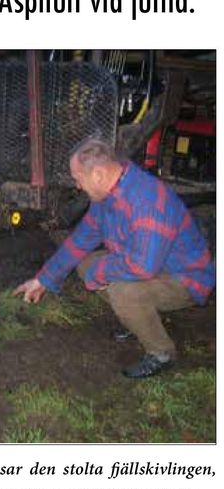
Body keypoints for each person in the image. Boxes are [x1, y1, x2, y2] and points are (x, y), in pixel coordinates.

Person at [14, 137, 215, 379]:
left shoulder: (147, 200)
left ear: (98, 175)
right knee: (86, 263)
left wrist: (100, 273)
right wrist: (43, 280)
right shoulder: (108, 196)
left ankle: (161, 352)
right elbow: (80, 240)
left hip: (185, 277)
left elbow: (142, 266)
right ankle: (136, 318)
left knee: (122, 291)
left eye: (78, 178)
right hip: (153, 264)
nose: (77, 185)